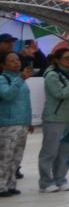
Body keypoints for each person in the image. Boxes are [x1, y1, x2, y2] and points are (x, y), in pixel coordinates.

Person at [37, 44, 69, 192]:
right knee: (50, 151)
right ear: (57, 60)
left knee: (66, 151)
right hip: (55, 118)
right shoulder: (51, 75)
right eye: (67, 58)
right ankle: (45, 181)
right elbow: (60, 93)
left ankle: (60, 179)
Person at [0, 51, 28, 196]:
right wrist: (20, 80)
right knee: (6, 155)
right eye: (12, 61)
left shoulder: (20, 79)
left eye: (17, 59)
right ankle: (1, 185)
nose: (16, 62)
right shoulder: (3, 79)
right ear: (3, 64)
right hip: (8, 124)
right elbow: (7, 95)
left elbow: (25, 103)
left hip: (21, 122)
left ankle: (10, 183)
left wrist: (28, 122)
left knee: (17, 156)